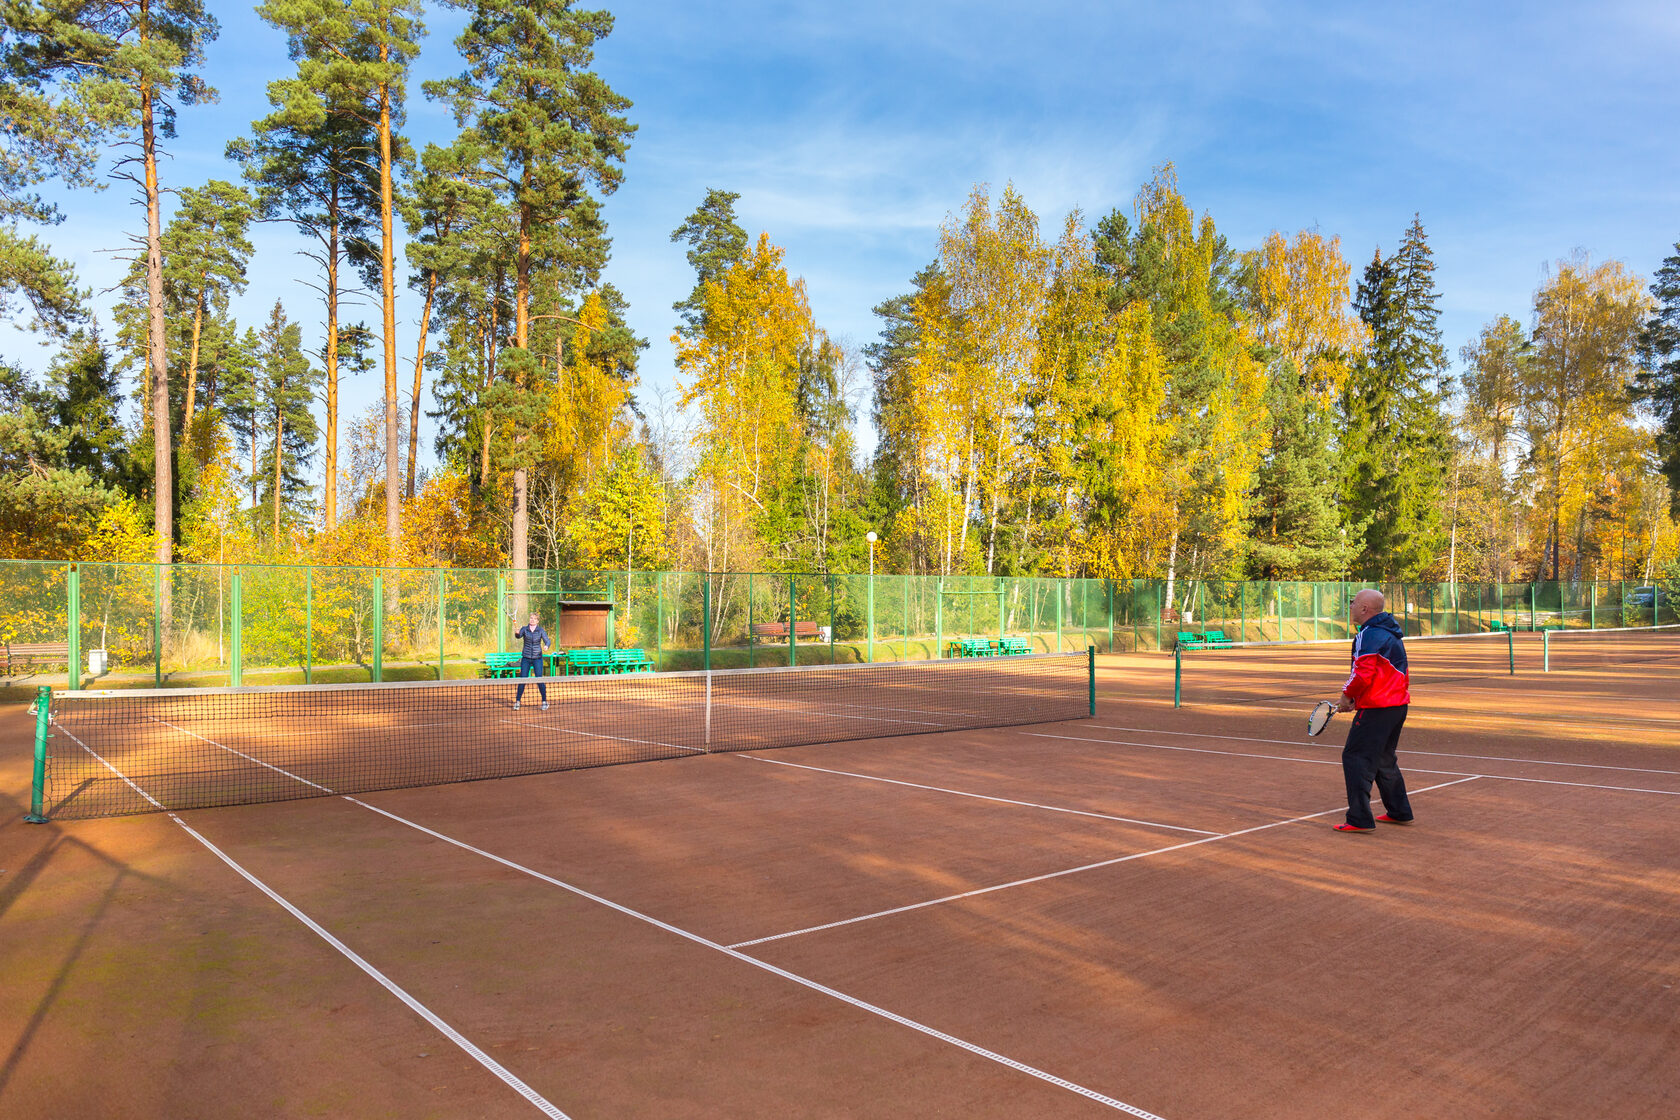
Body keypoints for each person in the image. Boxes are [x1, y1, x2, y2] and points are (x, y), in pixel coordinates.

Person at [1332, 589, 1415, 833]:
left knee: (1355, 758)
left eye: (1354, 603)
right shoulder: (1388, 631)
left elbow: (1362, 673)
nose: (1350, 607)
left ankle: (1359, 818)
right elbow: (1383, 674)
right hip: (1396, 706)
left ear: (1365, 609)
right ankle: (1399, 811)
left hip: (1378, 708)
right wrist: (1358, 698)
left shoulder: (1368, 635)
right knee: (1383, 759)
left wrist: (1347, 696)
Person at [513, 611, 551, 712]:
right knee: (522, 680)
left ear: (537, 621)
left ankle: (544, 702)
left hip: (537, 658)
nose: (532, 620)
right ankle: (517, 702)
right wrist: (516, 633)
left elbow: (547, 640)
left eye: (534, 619)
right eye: (531, 618)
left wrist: (546, 645)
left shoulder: (541, 630)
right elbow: (518, 636)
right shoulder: (524, 629)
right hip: (526, 657)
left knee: (539, 679)